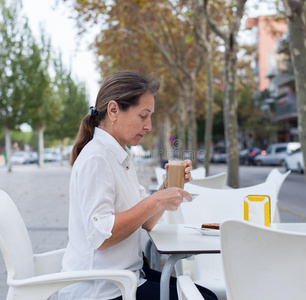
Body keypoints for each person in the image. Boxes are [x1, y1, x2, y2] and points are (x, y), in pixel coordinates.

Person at [58, 71, 218, 300]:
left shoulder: (119, 155)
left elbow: (149, 221)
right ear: (113, 111)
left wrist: (167, 188)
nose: (149, 126)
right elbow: (100, 236)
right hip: (102, 290)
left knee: (205, 295)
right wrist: (156, 200)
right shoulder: (97, 158)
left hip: (127, 277)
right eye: (144, 116)